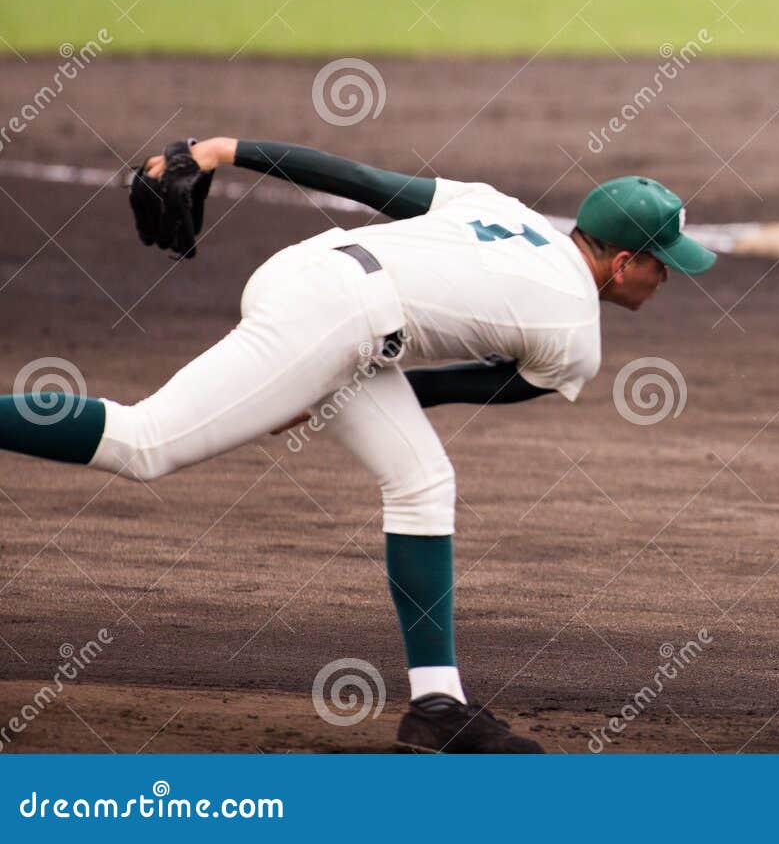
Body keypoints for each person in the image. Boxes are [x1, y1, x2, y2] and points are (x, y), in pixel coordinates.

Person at [0, 137, 716, 753]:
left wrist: (223, 149)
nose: (669, 277)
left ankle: (437, 706)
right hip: (336, 319)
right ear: (623, 263)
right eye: (663, 263)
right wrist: (315, 380)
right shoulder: (576, 337)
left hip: (319, 282)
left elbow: (365, 182)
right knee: (146, 442)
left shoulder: (501, 207)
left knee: (422, 479)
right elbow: (481, 386)